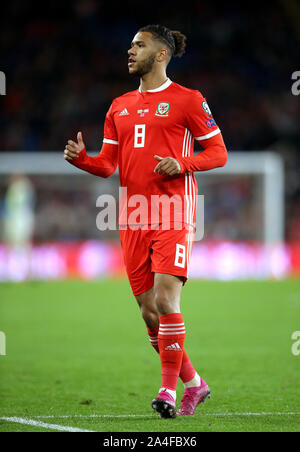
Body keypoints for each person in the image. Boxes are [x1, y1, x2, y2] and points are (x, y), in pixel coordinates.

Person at [64, 24, 227, 418]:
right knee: (149, 311)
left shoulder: (188, 100)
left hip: (173, 210)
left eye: (139, 45)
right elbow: (108, 165)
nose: (130, 51)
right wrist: (84, 159)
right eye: (130, 46)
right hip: (132, 215)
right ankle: (195, 383)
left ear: (160, 55)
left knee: (167, 300)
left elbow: (218, 153)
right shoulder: (118, 105)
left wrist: (184, 162)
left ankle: (167, 393)